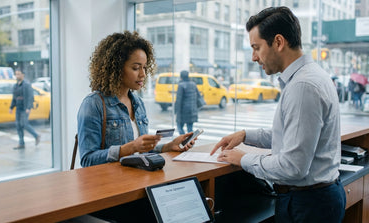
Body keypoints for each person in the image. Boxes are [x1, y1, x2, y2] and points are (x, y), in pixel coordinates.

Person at [210, 7, 346, 223]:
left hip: (307, 204)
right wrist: (246, 135)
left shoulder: (303, 86)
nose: (254, 57)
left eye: (256, 47)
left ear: (279, 42)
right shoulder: (309, 76)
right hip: (314, 199)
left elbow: (293, 167)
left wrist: (244, 159)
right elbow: (292, 136)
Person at [77, 31, 195, 167]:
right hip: (112, 185)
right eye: (136, 68)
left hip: (138, 181)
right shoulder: (93, 104)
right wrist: (130, 148)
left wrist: (168, 146)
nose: (143, 74)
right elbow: (87, 160)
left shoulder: (138, 103)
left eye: (144, 68)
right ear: (116, 68)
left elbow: (141, 152)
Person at [9, 70, 40, 149]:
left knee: (24, 124)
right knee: (18, 125)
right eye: (16, 74)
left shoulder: (26, 85)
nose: (17, 76)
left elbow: (30, 96)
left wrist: (28, 107)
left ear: (23, 75)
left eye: (19, 74)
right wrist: (11, 107)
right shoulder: (16, 85)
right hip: (18, 107)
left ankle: (36, 136)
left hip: (24, 107)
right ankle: (21, 143)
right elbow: (14, 98)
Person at [174, 70, 200, 135]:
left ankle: (183, 141)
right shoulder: (193, 84)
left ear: (181, 77)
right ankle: (190, 142)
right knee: (190, 128)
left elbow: (179, 100)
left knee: (179, 126)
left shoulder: (181, 85)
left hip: (183, 111)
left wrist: (176, 110)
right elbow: (198, 96)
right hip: (192, 110)